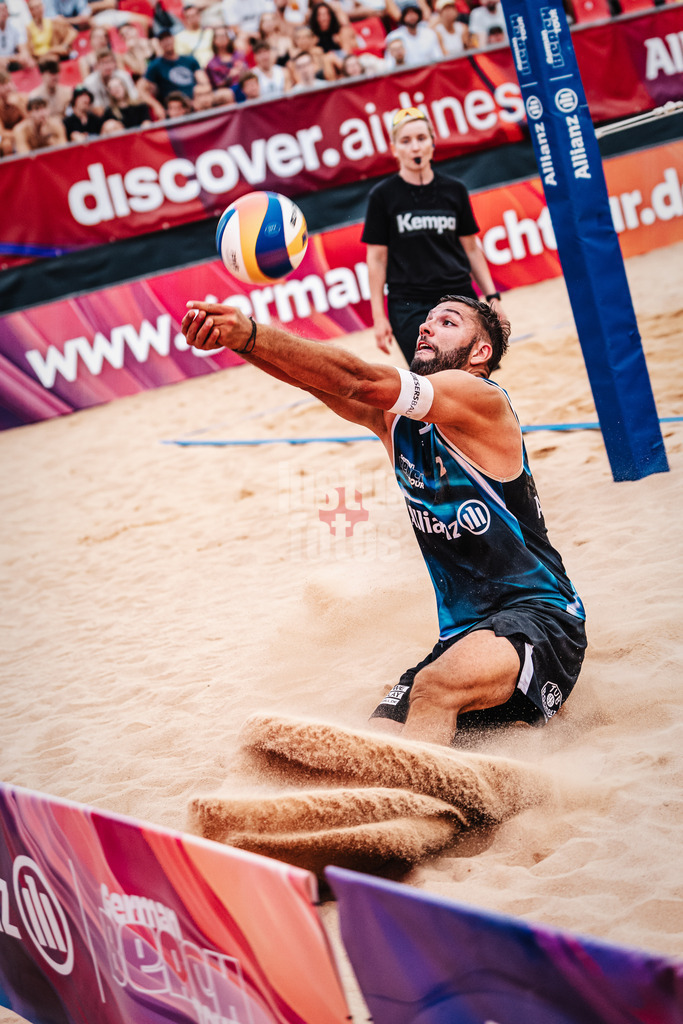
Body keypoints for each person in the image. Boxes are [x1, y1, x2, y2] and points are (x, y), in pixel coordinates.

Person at [180, 296, 587, 747]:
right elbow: (316, 381)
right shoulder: (395, 421)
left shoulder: (481, 398)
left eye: (446, 322)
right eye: (426, 319)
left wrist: (252, 332)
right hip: (465, 637)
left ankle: (420, 812)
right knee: (380, 737)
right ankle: (407, 807)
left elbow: (358, 379)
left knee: (433, 689)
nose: (426, 327)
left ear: (479, 353)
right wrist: (237, 344)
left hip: (542, 621)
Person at [362, 107, 505, 363]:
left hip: (458, 297)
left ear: (432, 143)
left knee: (471, 373)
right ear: (394, 149)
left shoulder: (455, 190)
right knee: (429, 379)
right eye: (405, 141)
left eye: (421, 138)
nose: (415, 147)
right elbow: (376, 259)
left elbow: (471, 249)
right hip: (409, 304)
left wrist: (492, 298)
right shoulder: (383, 196)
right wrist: (378, 317)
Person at [139, 27, 209, 118]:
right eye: (162, 40)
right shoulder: (155, 65)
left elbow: (204, 82)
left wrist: (198, 96)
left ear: (173, 39)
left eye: (168, 38)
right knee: (175, 106)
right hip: (174, 105)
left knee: (205, 97)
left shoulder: (189, 59)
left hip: (193, 100)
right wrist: (156, 105)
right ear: (159, 44)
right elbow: (141, 89)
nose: (166, 42)